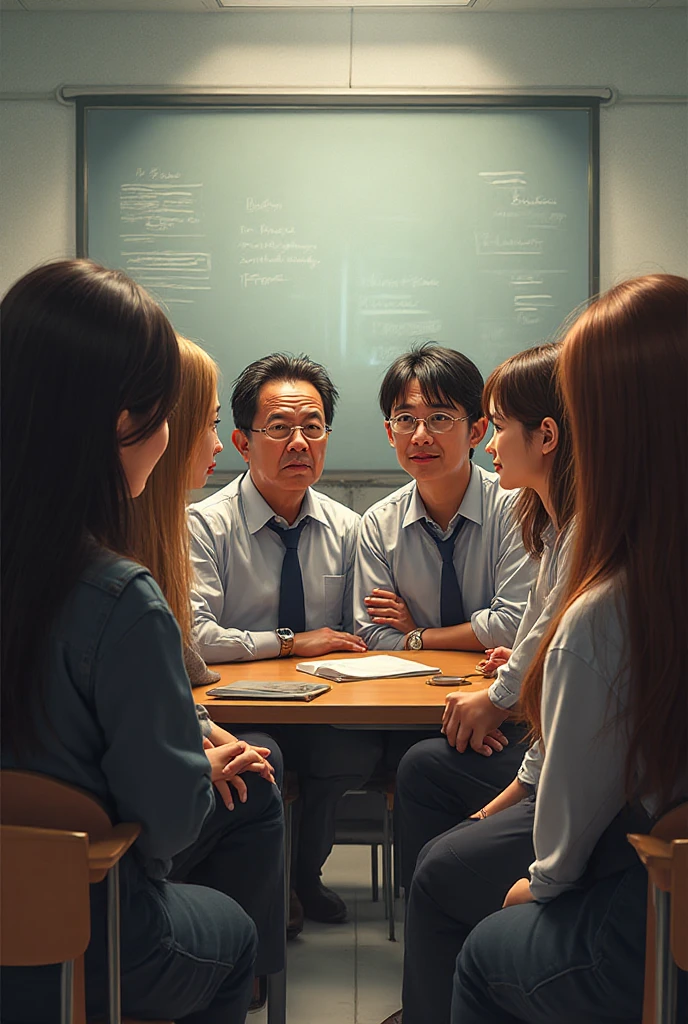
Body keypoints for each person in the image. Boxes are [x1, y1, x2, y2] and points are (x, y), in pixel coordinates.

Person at [1, 260, 260, 1023]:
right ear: (125, 419)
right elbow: (171, 822)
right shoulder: (118, 599)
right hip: (90, 941)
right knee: (233, 935)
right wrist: (193, 761)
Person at [449, 273, 687, 1024]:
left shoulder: (611, 606)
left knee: (488, 948)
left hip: (651, 911)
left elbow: (570, 825)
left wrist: (539, 886)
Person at [380, 341, 576, 1024]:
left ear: (545, 435)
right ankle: (443, 960)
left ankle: (446, 966)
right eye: (407, 419)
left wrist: (496, 694)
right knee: (427, 770)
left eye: (482, 422)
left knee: (441, 851)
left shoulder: (566, 528)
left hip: (566, 776)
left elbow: (527, 630)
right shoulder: (550, 524)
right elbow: (524, 637)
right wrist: (503, 665)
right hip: (543, 754)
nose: (488, 443)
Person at [188, 353, 383, 929]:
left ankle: (303, 875)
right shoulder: (205, 524)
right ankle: (263, 900)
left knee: (351, 753)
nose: (300, 442)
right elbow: (198, 638)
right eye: (279, 428)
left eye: (313, 427)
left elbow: (359, 636)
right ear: (243, 443)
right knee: (260, 759)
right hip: (236, 709)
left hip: (321, 707)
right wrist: (291, 643)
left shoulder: (349, 529)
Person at [128, 335, 285, 1000]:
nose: (221, 445)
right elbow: (158, 796)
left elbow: (168, 690)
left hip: (50, 864)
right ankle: (242, 978)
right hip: (105, 869)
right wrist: (197, 764)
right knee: (256, 790)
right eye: (211, 423)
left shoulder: (129, 541)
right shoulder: (124, 588)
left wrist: (208, 738)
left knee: (254, 758)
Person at [354, 343, 537, 862]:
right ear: (389, 433)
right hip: (412, 711)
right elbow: (371, 635)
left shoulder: (518, 509)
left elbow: (515, 623)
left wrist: (418, 634)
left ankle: (459, 884)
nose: (420, 436)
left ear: (477, 431)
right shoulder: (378, 524)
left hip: (506, 709)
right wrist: (437, 636)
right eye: (405, 420)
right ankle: (430, 898)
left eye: (439, 418)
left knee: (431, 767)